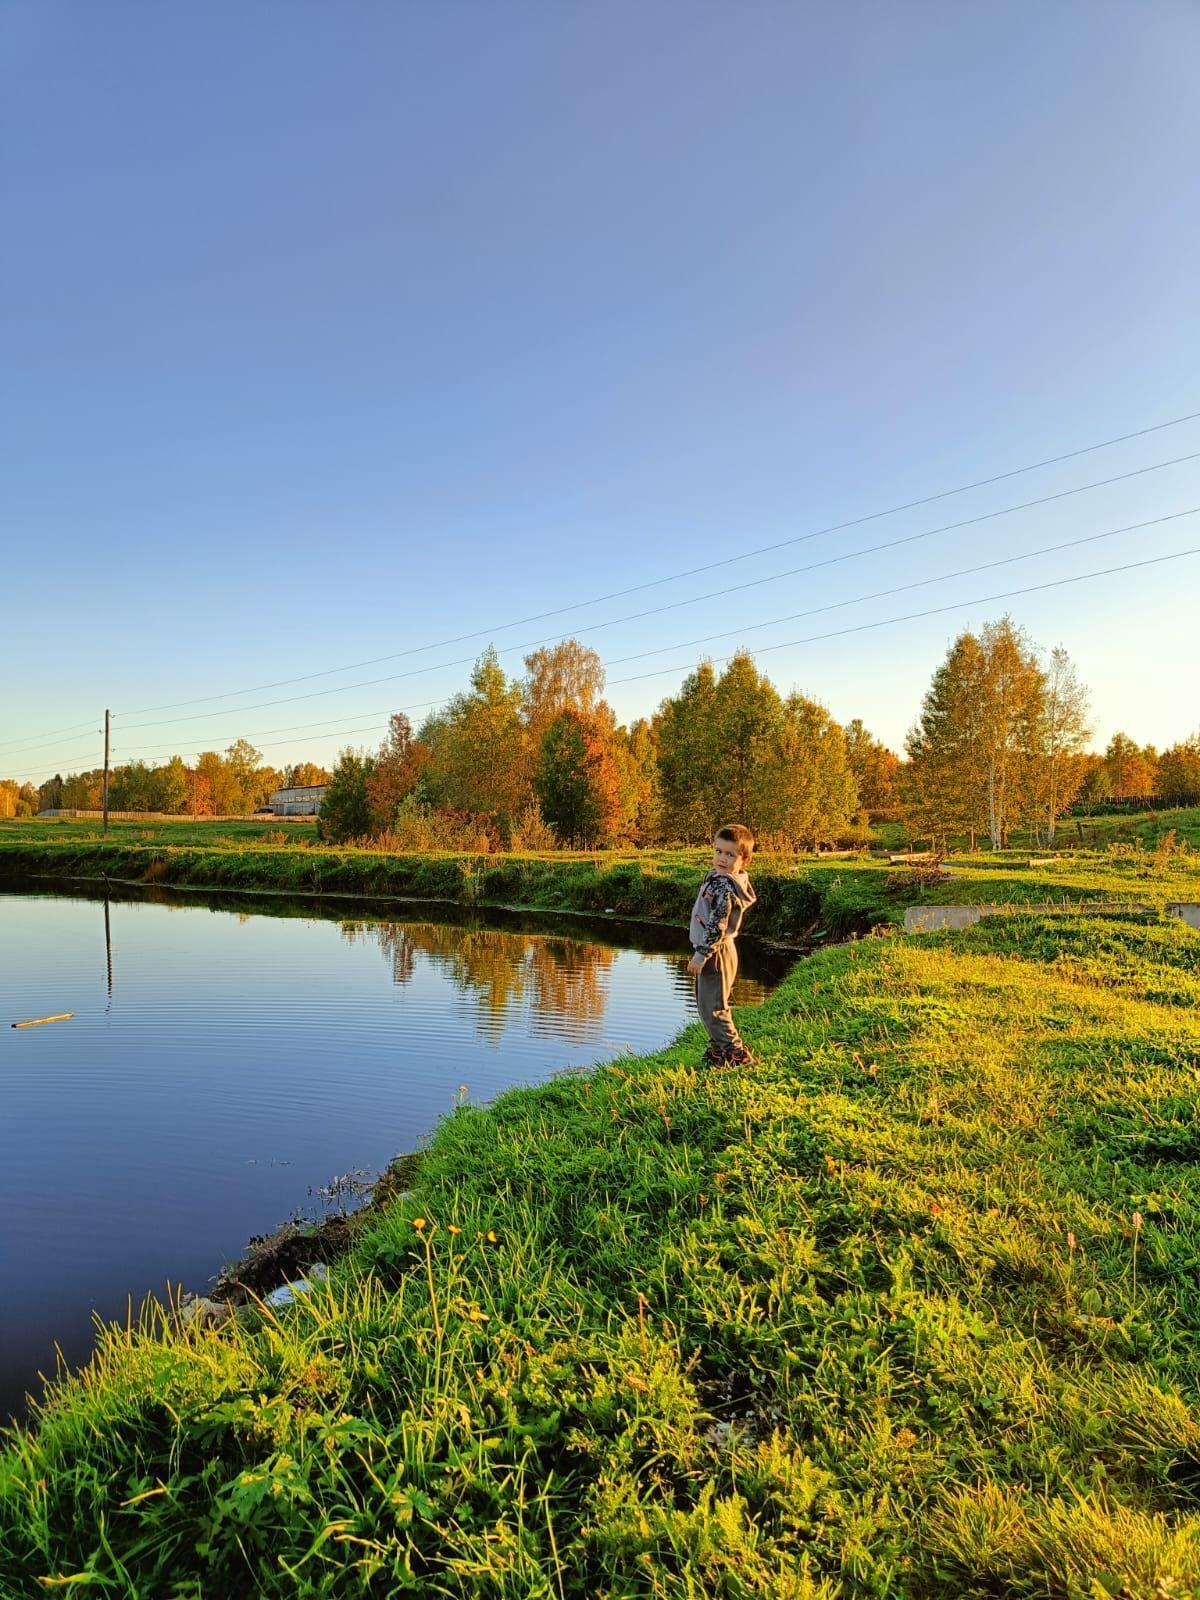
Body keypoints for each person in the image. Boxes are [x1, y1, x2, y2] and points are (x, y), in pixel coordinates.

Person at [687, 823, 757, 1066]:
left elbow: (718, 923)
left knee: (714, 1009)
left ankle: (737, 1055)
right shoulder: (718, 877)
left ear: (744, 860)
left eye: (730, 854)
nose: (722, 858)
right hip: (715, 951)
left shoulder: (727, 886)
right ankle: (718, 1052)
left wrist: (701, 954)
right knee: (706, 1005)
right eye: (718, 851)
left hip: (716, 952)